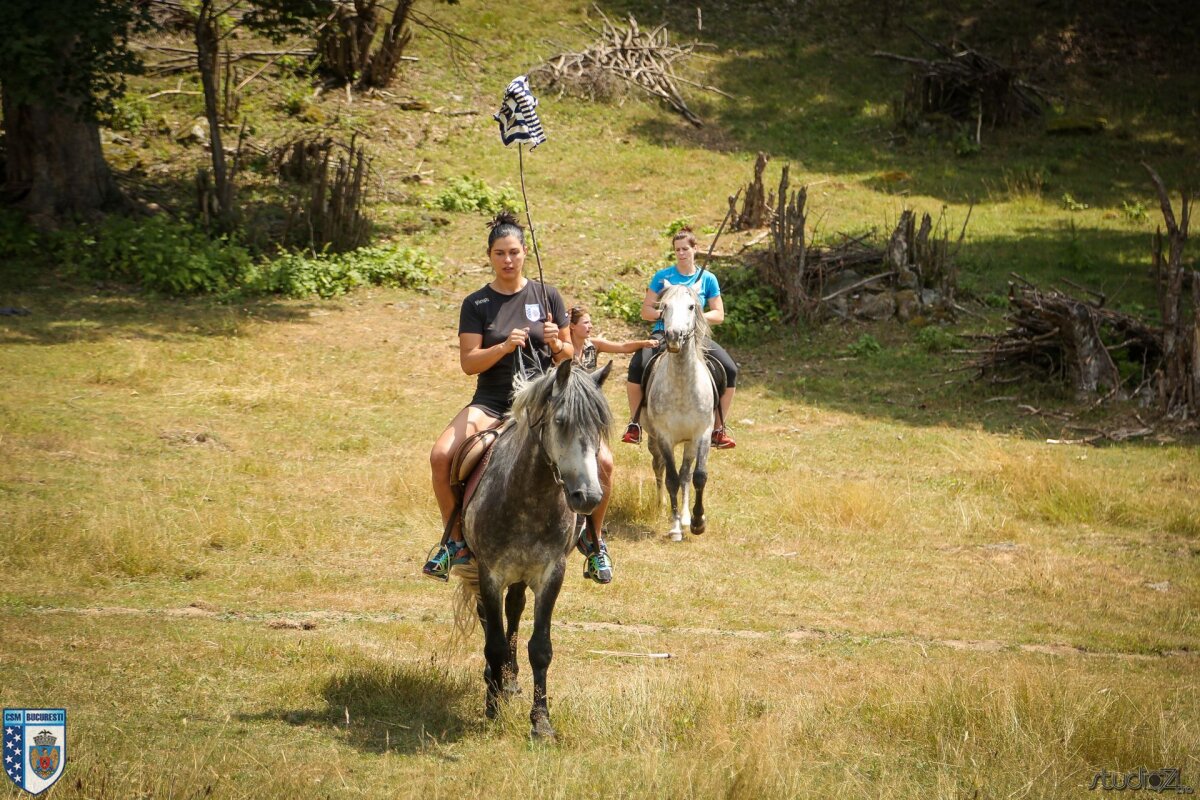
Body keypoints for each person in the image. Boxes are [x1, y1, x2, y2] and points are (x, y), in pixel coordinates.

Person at [423, 211, 573, 581]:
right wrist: (504, 347)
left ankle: (595, 544)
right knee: (441, 456)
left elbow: (569, 357)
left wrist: (556, 342)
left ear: (524, 253)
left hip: (542, 404)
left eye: (514, 252)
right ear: (489, 256)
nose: (508, 260)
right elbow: (469, 363)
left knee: (601, 462)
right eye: (500, 253)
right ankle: (454, 542)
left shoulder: (548, 295)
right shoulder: (476, 304)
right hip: (491, 402)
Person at [621, 227, 739, 449]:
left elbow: (719, 314)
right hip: (664, 332)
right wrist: (669, 314)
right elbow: (645, 312)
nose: (682, 253)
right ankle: (635, 423)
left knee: (730, 369)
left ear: (696, 249)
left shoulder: (708, 279)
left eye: (686, 249)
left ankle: (718, 428)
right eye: (677, 250)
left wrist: (693, 317)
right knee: (638, 364)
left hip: (695, 335)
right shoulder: (662, 277)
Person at [565, 305, 657, 582]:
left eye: (591, 322)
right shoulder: (561, 347)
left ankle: (595, 534)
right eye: (586, 323)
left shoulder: (594, 346)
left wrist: (645, 343)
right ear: (571, 326)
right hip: (567, 415)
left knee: (605, 463)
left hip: (590, 417)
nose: (590, 327)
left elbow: (622, 347)